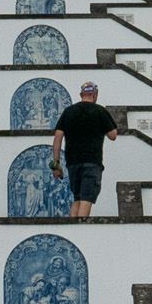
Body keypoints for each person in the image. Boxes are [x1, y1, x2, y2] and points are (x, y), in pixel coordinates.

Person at [49, 81, 118, 218]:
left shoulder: (69, 112)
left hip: (73, 163)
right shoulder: (100, 111)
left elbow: (57, 137)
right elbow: (113, 135)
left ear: (81, 94)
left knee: (78, 198)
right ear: (95, 94)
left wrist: (56, 164)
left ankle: (72, 228)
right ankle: (81, 229)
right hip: (92, 161)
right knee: (87, 198)